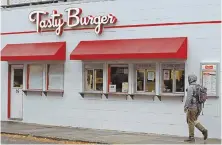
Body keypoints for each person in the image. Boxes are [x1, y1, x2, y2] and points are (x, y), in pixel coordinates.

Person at [184, 74, 208, 142]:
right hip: (198, 108)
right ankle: (203, 130)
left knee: (190, 121)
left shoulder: (191, 87)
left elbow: (189, 98)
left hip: (192, 108)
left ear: (190, 79)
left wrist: (185, 107)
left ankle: (191, 137)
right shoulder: (199, 86)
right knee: (193, 120)